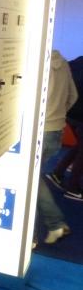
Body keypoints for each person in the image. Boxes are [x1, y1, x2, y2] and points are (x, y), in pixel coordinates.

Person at [36, 50, 77, 243]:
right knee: (34, 177)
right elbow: (73, 96)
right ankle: (53, 225)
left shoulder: (35, 61)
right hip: (56, 131)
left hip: (39, 130)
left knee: (30, 179)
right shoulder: (64, 63)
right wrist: (58, 115)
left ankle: (54, 224)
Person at [48, 55, 83, 202]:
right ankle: (73, 188)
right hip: (78, 113)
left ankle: (57, 173)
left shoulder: (77, 62)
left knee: (80, 146)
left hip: (70, 112)